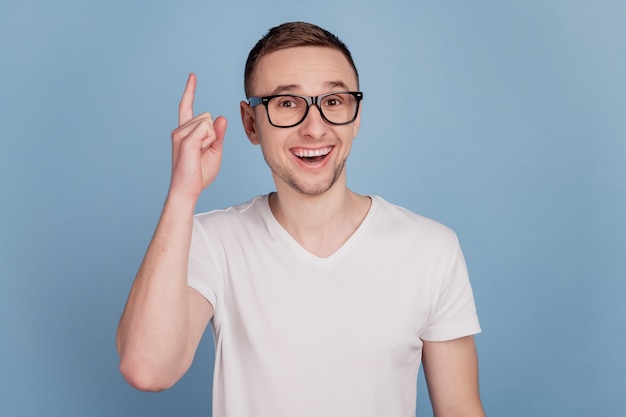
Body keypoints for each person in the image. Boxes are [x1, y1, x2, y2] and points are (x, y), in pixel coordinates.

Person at [116, 21, 486, 417]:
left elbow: (460, 409)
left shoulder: (430, 249)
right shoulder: (211, 241)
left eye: (333, 101)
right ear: (250, 123)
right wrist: (182, 194)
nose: (314, 128)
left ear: (356, 115)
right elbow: (148, 369)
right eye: (287, 104)